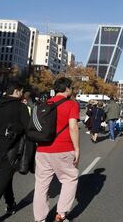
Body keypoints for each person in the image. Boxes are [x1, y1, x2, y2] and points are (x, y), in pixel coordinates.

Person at [0, 80, 30, 222]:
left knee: (6, 176)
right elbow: (28, 128)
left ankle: (10, 204)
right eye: (20, 91)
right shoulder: (20, 107)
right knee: (3, 179)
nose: (22, 94)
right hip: (13, 147)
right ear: (16, 91)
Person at [33, 77, 80, 222]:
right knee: (69, 179)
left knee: (41, 184)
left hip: (42, 149)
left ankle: (39, 218)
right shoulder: (71, 104)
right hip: (63, 148)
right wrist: (77, 148)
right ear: (67, 88)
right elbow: (73, 127)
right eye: (71, 88)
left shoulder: (44, 103)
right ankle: (61, 214)